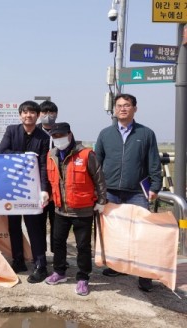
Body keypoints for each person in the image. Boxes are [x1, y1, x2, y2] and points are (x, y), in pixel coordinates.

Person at [94, 93, 162, 292]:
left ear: (135, 109)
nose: (122, 109)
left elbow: (154, 163)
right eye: (119, 106)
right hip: (110, 192)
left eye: (127, 105)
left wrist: (155, 187)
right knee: (115, 233)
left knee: (143, 233)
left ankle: (145, 274)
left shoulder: (146, 134)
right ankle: (119, 267)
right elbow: (97, 162)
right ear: (114, 109)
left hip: (137, 192)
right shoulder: (105, 134)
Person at [44, 122, 107, 296]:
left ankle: (83, 278)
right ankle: (59, 272)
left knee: (83, 246)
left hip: (83, 210)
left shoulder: (86, 154)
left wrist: (102, 200)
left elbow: (99, 179)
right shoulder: (51, 155)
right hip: (60, 210)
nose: (58, 139)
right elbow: (50, 180)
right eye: (54, 137)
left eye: (61, 136)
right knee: (57, 242)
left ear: (70, 135)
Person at [0, 100, 50, 283]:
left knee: (34, 227)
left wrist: (44, 189)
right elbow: (2, 151)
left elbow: (44, 164)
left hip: (32, 189)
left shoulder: (43, 137)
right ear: (20, 115)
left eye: (32, 112)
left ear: (38, 115)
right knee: (14, 226)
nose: (28, 115)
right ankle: (18, 260)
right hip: (13, 188)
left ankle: (40, 264)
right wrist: (23, 156)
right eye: (25, 112)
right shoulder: (12, 130)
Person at [37, 100, 58, 253]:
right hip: (39, 182)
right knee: (39, 221)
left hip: (57, 183)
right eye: (44, 112)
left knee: (57, 221)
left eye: (51, 112)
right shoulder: (35, 132)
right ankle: (40, 253)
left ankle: (57, 253)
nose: (48, 116)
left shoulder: (62, 130)